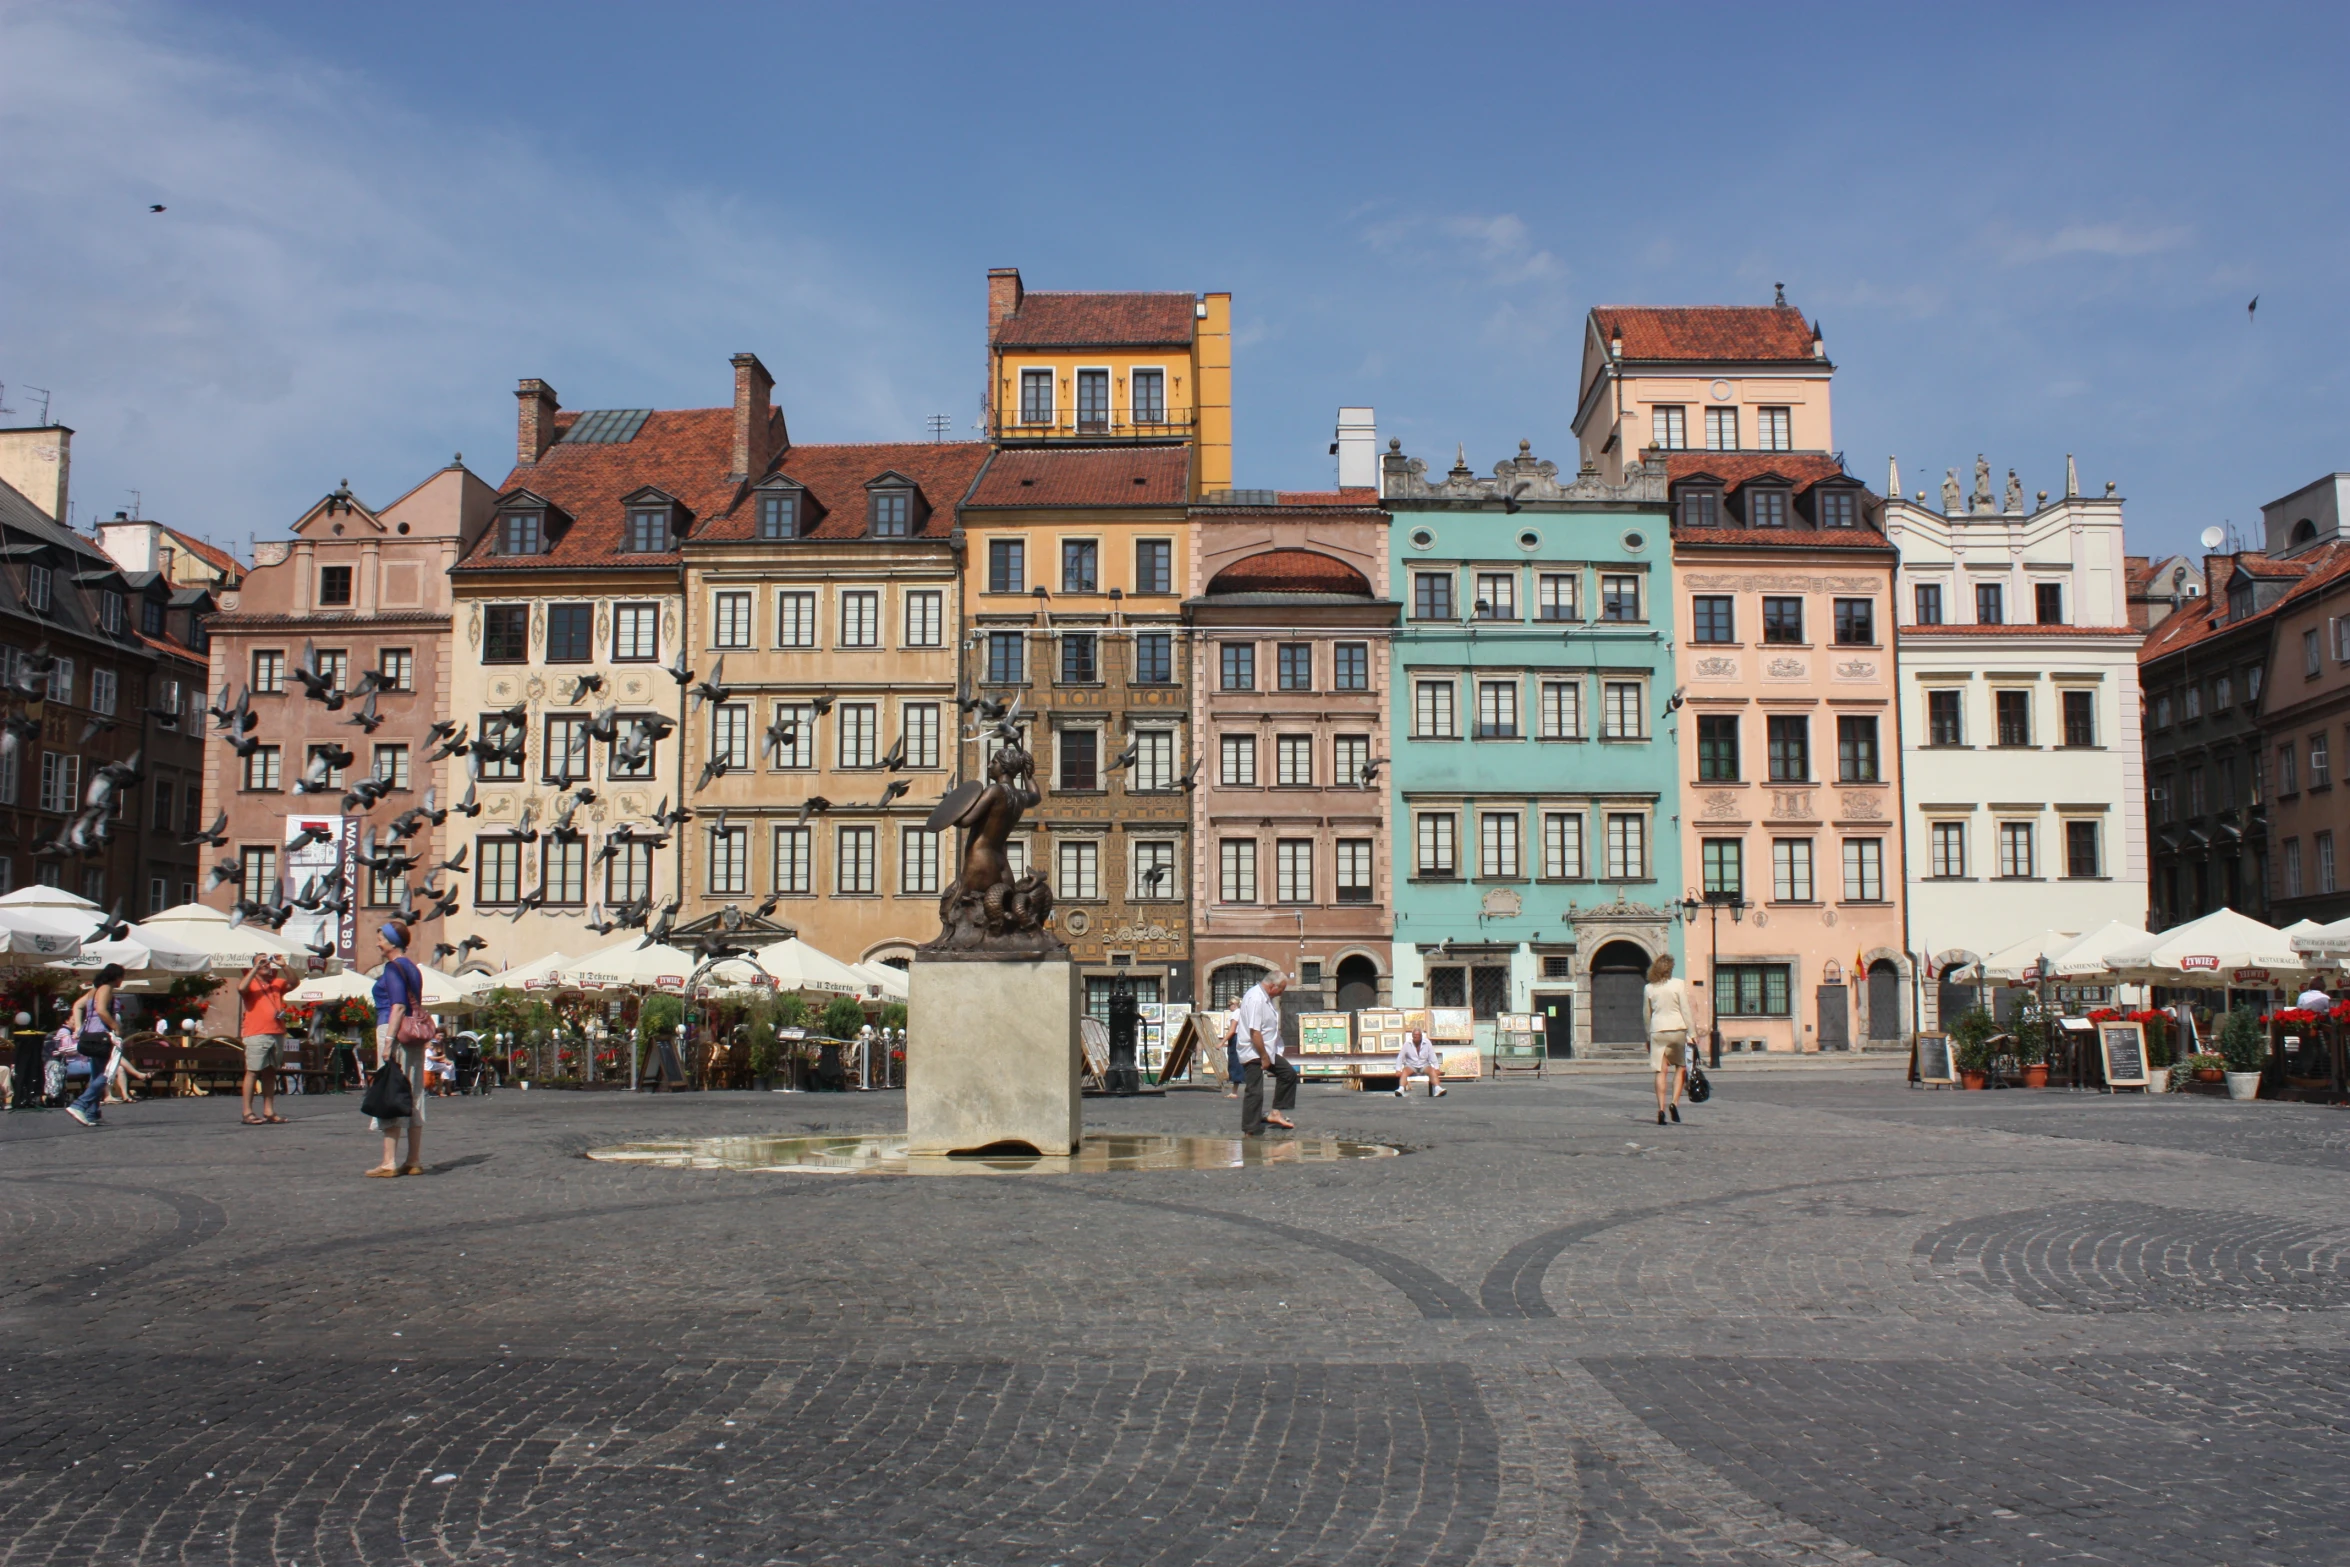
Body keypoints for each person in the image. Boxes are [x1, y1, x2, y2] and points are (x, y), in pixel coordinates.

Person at [365, 921, 429, 1177]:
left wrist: (388, 1040)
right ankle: (413, 1159)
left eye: (381, 938)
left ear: (392, 942)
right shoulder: (413, 968)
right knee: (414, 1093)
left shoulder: (393, 968)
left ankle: (389, 1161)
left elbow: (399, 1006)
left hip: (395, 1032)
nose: (378, 942)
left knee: (390, 1090)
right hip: (414, 1036)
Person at [62, 964, 126, 1128]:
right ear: (116, 977)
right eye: (121, 977)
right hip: (101, 1036)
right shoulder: (106, 988)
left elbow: (77, 1005)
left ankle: (92, 1113)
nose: (122, 980)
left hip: (89, 1035)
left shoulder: (94, 990)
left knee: (96, 1073)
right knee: (108, 1072)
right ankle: (80, 1104)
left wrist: (78, 1027)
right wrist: (115, 1026)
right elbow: (102, 1010)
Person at [1236, 972, 1297, 1136]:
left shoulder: (1265, 998)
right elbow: (1254, 1031)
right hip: (1253, 1050)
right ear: (1272, 986)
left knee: (1288, 1074)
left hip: (1267, 1049)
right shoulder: (1256, 998)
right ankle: (1250, 1129)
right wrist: (1263, 1057)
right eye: (1281, 989)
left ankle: (1275, 1112)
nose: (1282, 993)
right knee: (1254, 1091)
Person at [237, 951, 291, 1125]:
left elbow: (294, 982)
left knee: (270, 1072)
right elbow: (241, 988)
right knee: (253, 1071)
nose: (266, 964)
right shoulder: (251, 983)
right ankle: (247, 1112)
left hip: (276, 1032)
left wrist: (283, 965)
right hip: (257, 1033)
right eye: (262, 962)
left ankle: (269, 1110)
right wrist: (255, 968)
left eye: (267, 962)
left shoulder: (276, 983)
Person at [1644, 952, 1698, 1126]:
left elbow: (1646, 1014)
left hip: (1657, 1030)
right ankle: (1674, 1103)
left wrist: (1647, 1036)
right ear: (1670, 969)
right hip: (1677, 1029)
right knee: (1681, 1067)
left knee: (1661, 1071)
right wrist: (1693, 1033)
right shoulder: (1678, 985)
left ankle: (1660, 1109)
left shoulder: (1649, 988)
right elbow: (1685, 1010)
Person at [1392, 1028, 1447, 1098]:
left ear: (1421, 1036)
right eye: (1414, 1035)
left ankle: (1438, 1088)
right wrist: (1398, 1069)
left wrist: (1436, 1068)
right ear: (1412, 1036)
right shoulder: (1407, 1044)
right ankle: (1401, 1089)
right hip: (1411, 1065)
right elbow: (1400, 1057)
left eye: (1418, 1035)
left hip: (1424, 1064)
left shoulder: (1427, 1043)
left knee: (1432, 1071)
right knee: (1404, 1071)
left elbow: (1432, 1055)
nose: (1416, 1037)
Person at [1220, 1001, 1244, 1098]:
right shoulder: (1239, 1013)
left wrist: (1222, 1042)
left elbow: (1232, 1030)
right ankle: (1234, 1091)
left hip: (1235, 1038)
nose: (1229, 1007)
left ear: (1235, 1005)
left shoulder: (1236, 1013)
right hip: (1237, 1038)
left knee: (1235, 1063)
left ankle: (1234, 1092)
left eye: (1229, 1005)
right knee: (1236, 1063)